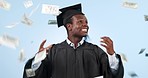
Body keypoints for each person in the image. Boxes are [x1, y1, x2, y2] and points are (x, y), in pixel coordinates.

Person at [23, 3, 124, 78]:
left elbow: (114, 74)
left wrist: (111, 55)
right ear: (69, 26)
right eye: (80, 22)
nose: (85, 25)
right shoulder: (53, 51)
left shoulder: (95, 51)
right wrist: (38, 59)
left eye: (86, 22)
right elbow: (29, 74)